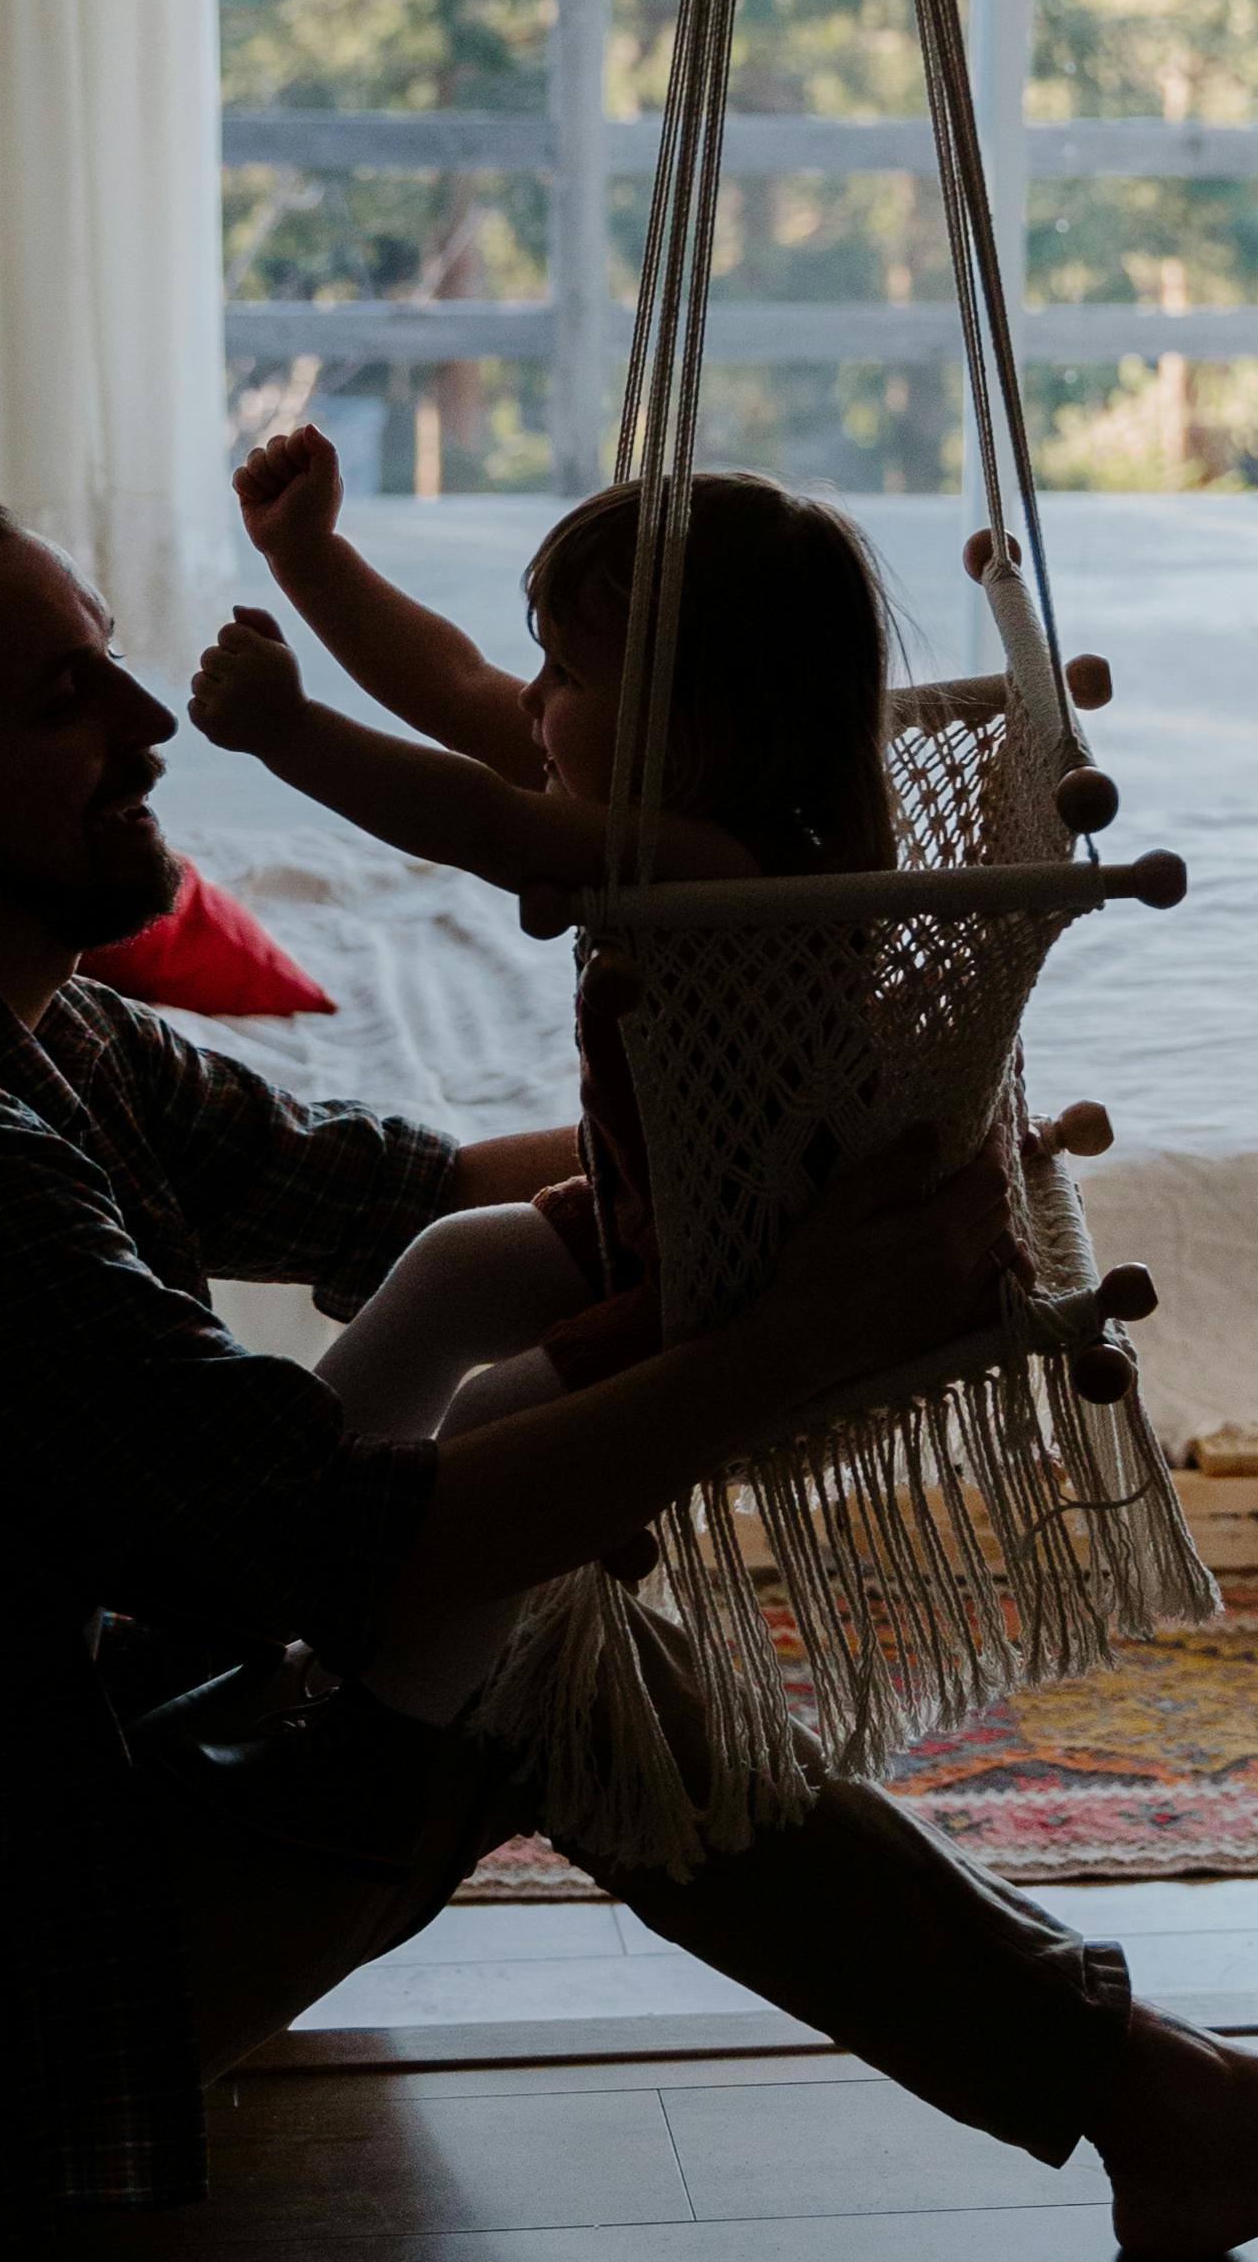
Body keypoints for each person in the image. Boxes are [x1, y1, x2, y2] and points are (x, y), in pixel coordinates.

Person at [0, 491, 1258, 2262]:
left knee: (522, 1585)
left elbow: (373, 1187)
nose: (149, 729)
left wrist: (789, 1164)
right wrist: (799, 1333)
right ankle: (1157, 2104)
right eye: (65, 702)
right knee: (539, 1653)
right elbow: (367, 1555)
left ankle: (1148, 2093)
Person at [188, 437, 902, 1726]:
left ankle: (404, 1716)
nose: (529, 695)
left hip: (749, 1268)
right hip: (664, 1215)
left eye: (567, 671)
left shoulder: (720, 868)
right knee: (457, 1264)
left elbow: (481, 818)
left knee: (493, 1433)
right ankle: (259, 1557)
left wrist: (289, 735)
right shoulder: (671, 798)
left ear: (705, 726)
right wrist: (309, 558)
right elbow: (457, 684)